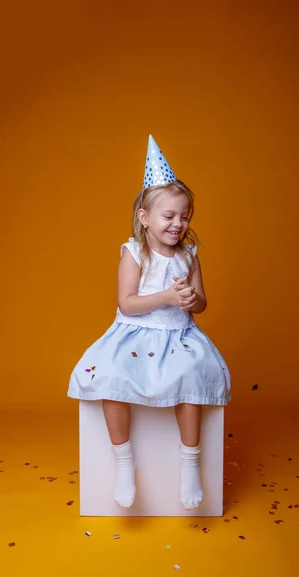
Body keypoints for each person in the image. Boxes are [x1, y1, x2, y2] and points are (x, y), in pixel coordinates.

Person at [67, 135, 231, 510]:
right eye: (169, 216)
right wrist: (166, 297)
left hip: (179, 335)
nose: (178, 224)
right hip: (135, 334)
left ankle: (190, 463)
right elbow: (127, 303)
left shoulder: (189, 256)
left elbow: (201, 303)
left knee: (192, 380)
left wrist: (191, 299)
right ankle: (124, 461)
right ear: (145, 218)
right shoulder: (134, 253)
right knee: (110, 378)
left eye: (185, 216)